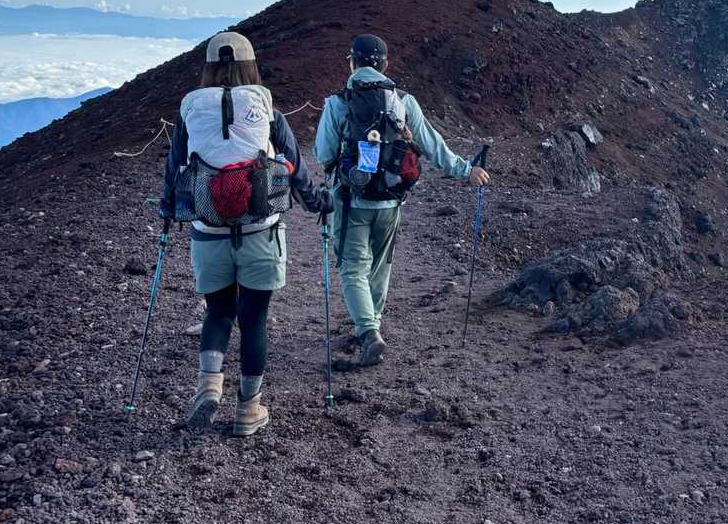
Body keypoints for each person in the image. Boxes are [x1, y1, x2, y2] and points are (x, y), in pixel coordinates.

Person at [158, 31, 331, 436]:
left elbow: (174, 168)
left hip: (208, 231)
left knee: (218, 312)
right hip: (261, 232)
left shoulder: (189, 109)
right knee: (254, 321)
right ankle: (248, 409)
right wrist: (318, 203)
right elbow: (295, 166)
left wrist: (167, 210)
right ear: (251, 65)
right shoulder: (267, 108)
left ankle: (209, 385)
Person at [314, 33, 488, 366]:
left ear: (352, 63)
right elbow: (433, 145)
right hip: (391, 199)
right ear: (385, 64)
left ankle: (368, 333)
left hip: (351, 199)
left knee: (353, 268)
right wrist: (467, 170)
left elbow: (323, 154)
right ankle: (373, 323)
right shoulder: (404, 101)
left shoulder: (338, 102)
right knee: (380, 267)